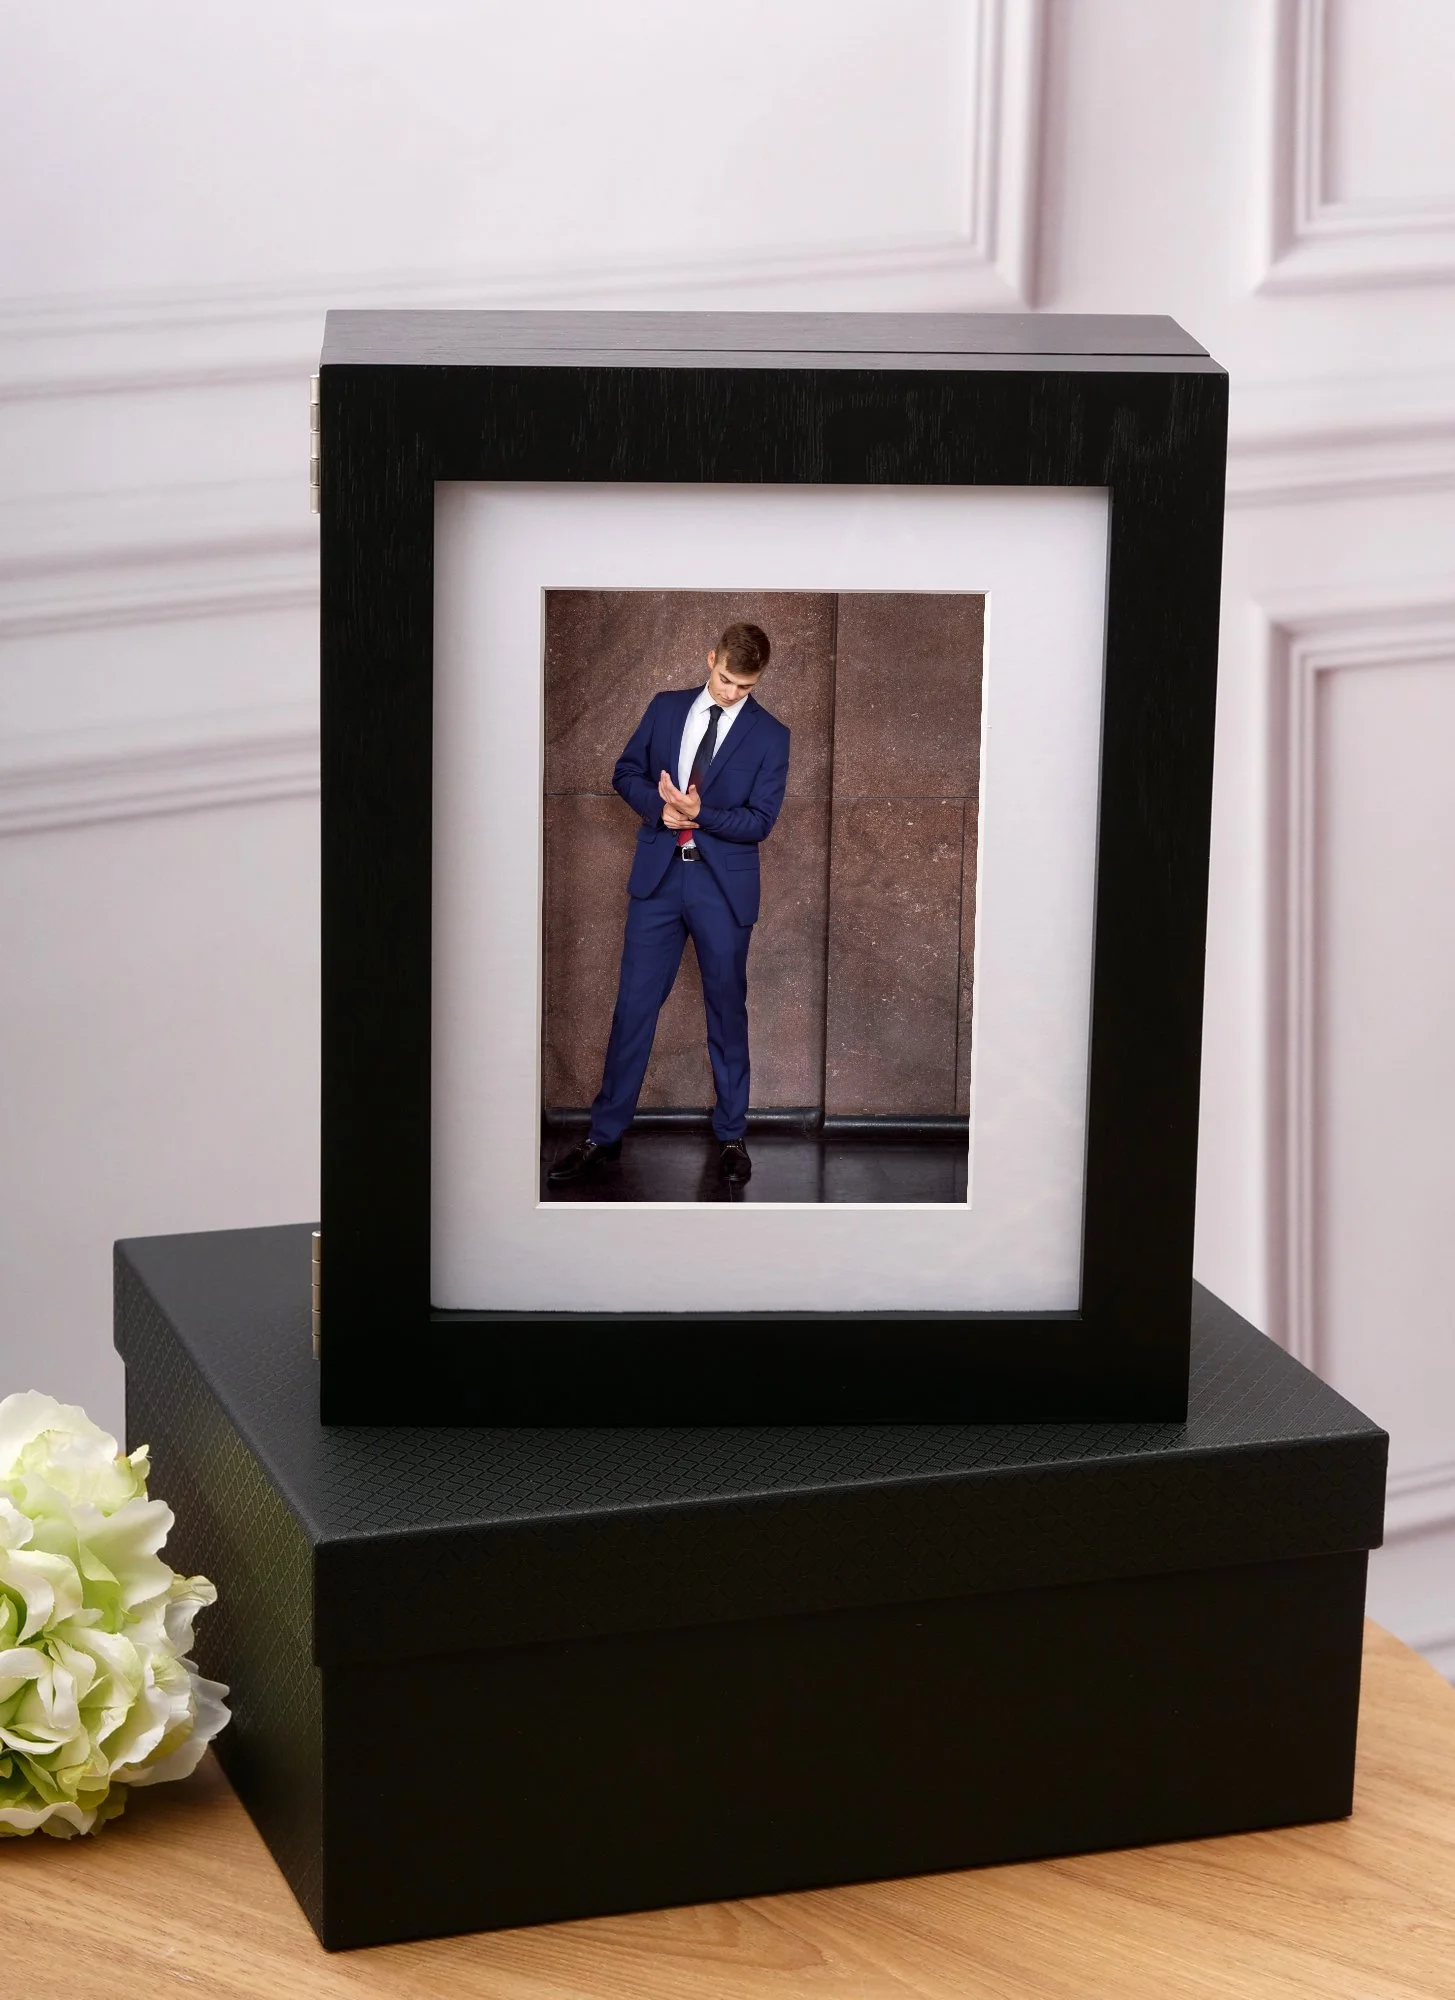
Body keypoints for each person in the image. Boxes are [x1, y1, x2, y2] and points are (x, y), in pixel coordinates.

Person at [548, 621, 790, 1187]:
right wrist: (660, 812)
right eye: (727, 679)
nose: (732, 693)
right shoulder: (664, 707)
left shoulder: (772, 736)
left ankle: (731, 1135)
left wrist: (697, 813)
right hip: (658, 881)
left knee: (727, 1013)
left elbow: (761, 822)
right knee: (632, 1008)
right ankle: (602, 1136)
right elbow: (625, 772)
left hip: (721, 889)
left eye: (745, 688)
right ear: (711, 658)